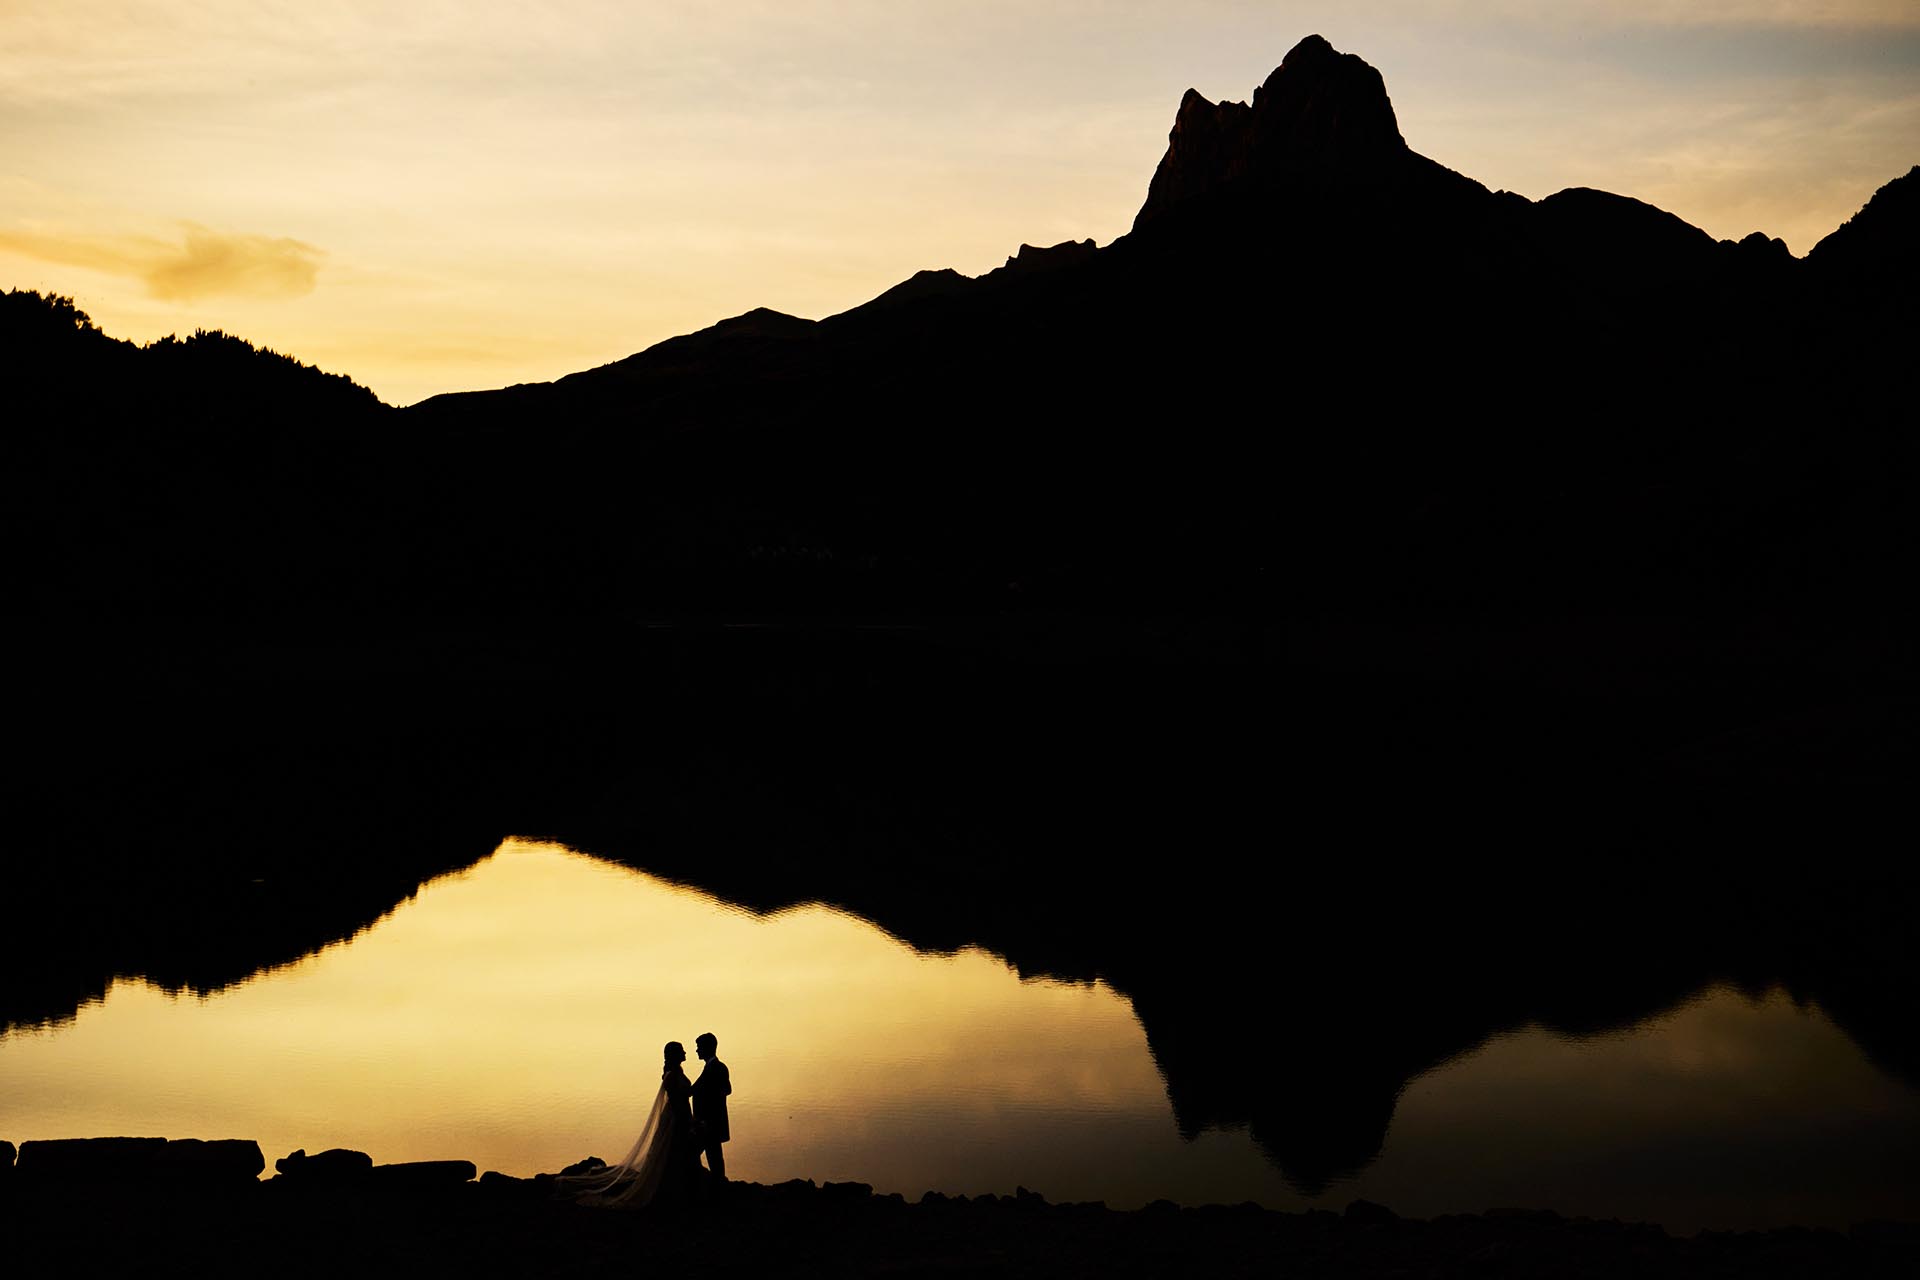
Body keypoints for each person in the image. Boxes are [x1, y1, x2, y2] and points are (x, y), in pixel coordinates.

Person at [555, 1040, 700, 1208]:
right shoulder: (671, 1076)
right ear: (675, 1054)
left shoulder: (676, 1072)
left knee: (672, 1156)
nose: (685, 1053)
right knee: (671, 1154)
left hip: (677, 1117)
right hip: (675, 1120)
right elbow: (677, 1102)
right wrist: (689, 1121)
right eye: (682, 1051)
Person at [691, 1031, 732, 1181]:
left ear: (707, 1048)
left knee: (707, 1154)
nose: (697, 1050)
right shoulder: (711, 1067)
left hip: (710, 1122)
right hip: (708, 1123)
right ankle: (717, 1183)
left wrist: (706, 1118)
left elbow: (727, 1089)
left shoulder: (717, 1067)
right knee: (713, 1154)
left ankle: (716, 1185)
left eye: (699, 1047)